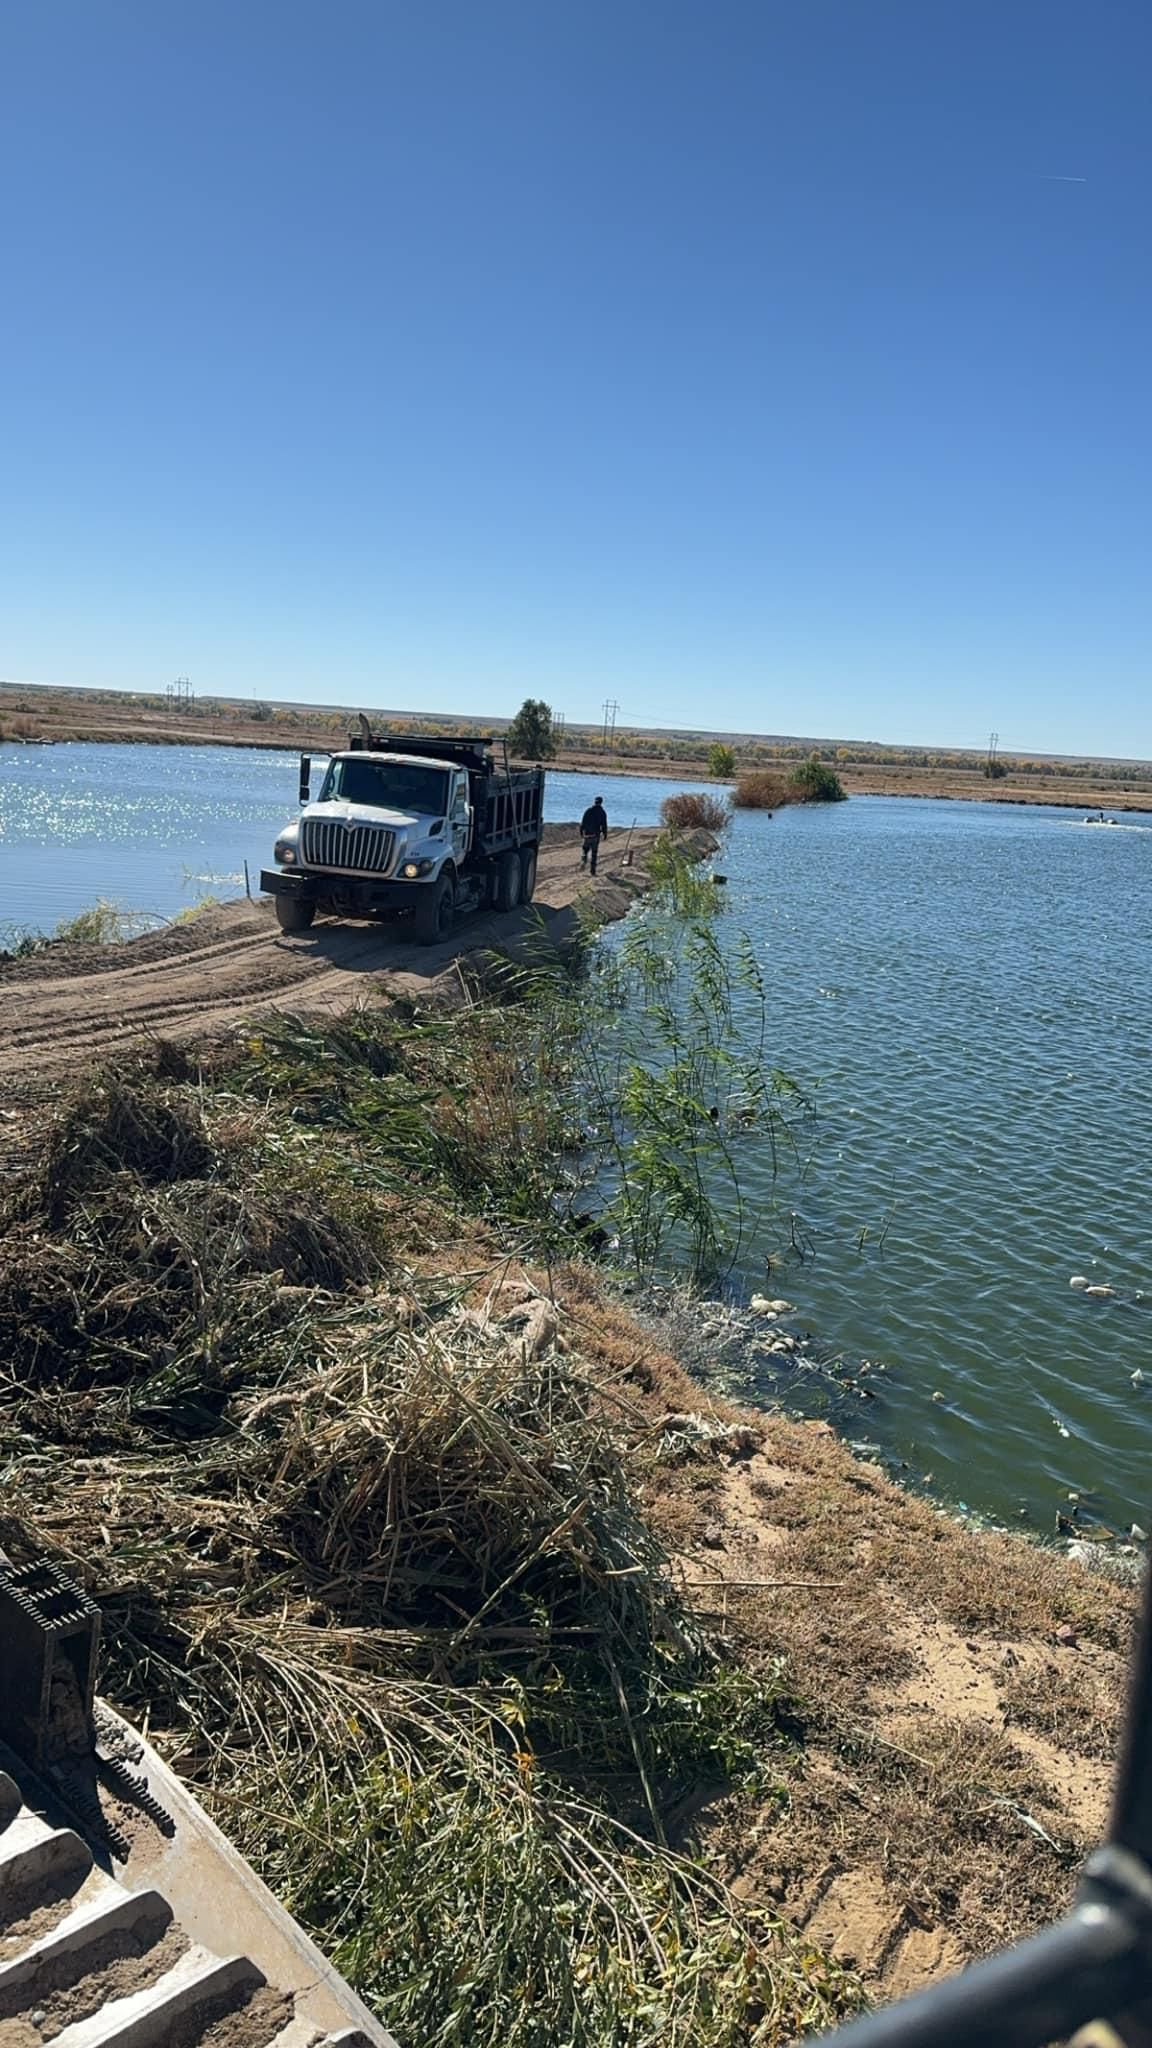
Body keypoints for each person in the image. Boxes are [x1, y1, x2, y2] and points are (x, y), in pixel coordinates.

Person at [580, 796, 608, 874]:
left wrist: (581, 831)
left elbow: (583, 821)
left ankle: (584, 859)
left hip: (587, 834)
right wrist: (605, 834)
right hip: (595, 835)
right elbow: (604, 825)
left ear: (594, 802)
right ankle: (593, 870)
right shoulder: (602, 812)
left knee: (585, 849)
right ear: (601, 802)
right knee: (594, 853)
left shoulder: (588, 810)